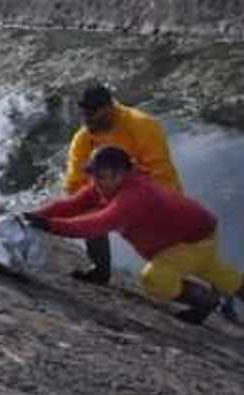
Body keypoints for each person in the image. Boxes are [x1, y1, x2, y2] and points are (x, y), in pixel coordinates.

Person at [24, 147, 244, 337]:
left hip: (189, 241)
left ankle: (205, 301)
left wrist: (47, 225)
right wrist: (33, 216)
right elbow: (71, 205)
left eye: (103, 176)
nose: (96, 182)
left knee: (156, 279)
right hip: (196, 232)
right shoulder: (107, 185)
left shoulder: (133, 197)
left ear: (121, 173)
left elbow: (94, 225)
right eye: (93, 175)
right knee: (218, 272)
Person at [61, 83, 182, 285]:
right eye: (84, 113)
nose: (87, 118)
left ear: (109, 108)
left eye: (92, 112)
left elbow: (159, 173)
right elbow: (74, 181)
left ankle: (213, 294)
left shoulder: (143, 126)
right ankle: (100, 271)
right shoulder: (83, 138)